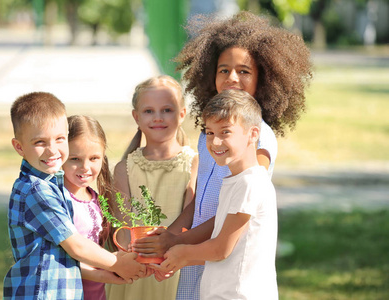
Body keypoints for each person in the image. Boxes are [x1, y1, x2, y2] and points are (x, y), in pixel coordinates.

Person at [132, 11, 312, 299]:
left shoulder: (259, 136)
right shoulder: (210, 134)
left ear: (264, 78)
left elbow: (237, 207)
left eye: (244, 71)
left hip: (223, 252)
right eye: (223, 69)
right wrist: (171, 235)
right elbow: (202, 195)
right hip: (197, 251)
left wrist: (180, 245)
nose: (232, 77)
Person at [3, 92, 146, 299]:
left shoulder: (52, 186)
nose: (52, 150)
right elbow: (76, 245)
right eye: (40, 142)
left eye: (60, 139)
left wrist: (116, 272)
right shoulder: (36, 190)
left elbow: (66, 257)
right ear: (19, 147)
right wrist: (117, 263)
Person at [156, 89, 278, 299]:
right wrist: (176, 260)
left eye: (225, 132)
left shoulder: (250, 183)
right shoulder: (236, 181)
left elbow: (220, 249)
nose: (215, 142)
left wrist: (182, 253)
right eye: (210, 132)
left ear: (253, 134)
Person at [106, 75, 198, 300]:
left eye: (167, 110)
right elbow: (124, 227)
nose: (158, 118)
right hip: (136, 270)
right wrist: (141, 261)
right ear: (136, 117)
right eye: (149, 111)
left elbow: (191, 220)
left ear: (182, 114)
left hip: (175, 269)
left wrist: (166, 260)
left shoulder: (195, 162)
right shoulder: (124, 168)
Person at [63, 115, 124, 300]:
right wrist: (108, 269)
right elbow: (59, 259)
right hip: (66, 291)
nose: (85, 167)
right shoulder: (59, 200)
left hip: (96, 293)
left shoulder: (96, 199)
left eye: (94, 158)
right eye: (75, 158)